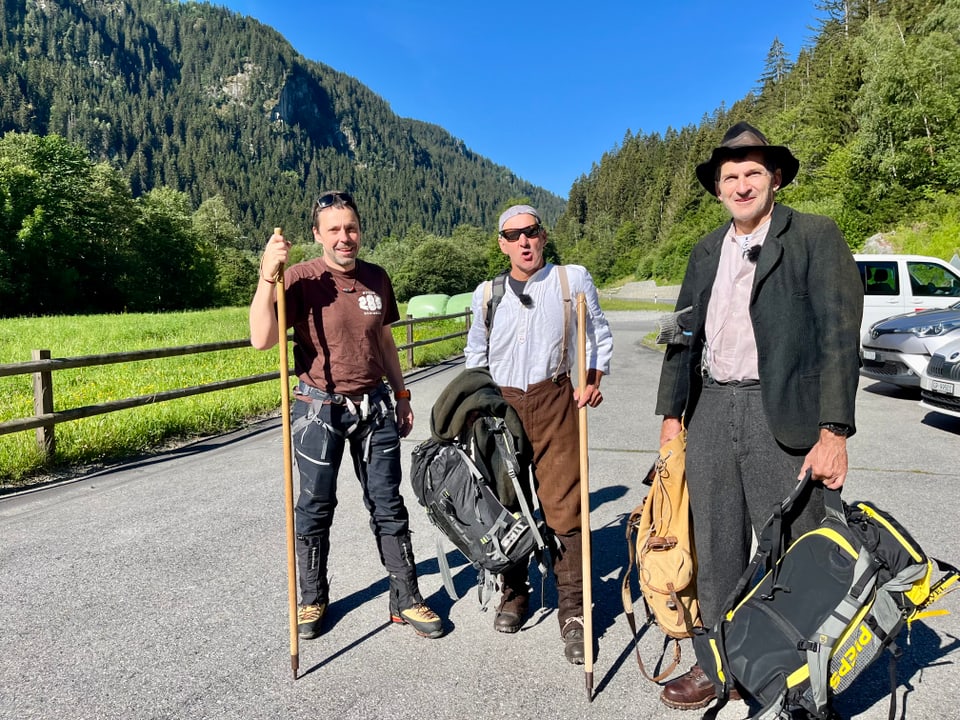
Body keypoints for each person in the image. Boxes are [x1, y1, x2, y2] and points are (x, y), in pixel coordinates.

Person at [655, 123, 863, 709]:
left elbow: (839, 339)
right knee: (715, 544)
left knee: (797, 547)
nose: (741, 185)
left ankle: (802, 674)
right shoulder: (704, 250)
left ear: (774, 178)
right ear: (718, 189)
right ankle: (717, 665)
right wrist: (671, 416)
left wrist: (834, 432)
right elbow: (681, 338)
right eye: (730, 177)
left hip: (787, 413)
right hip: (712, 407)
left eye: (752, 173)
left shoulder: (815, 236)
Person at [249, 190, 443, 640]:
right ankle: (312, 598)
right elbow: (261, 339)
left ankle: (406, 597)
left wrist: (402, 394)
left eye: (351, 228)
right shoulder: (297, 278)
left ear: (360, 231)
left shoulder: (377, 278)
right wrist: (266, 275)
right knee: (315, 507)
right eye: (333, 229)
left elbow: (387, 343)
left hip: (375, 406)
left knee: (388, 504)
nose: (344, 237)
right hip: (318, 407)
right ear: (317, 235)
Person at [463, 204, 614, 664]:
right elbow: (475, 352)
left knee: (564, 505)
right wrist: (477, 407)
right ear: (502, 244)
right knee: (505, 505)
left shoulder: (571, 280)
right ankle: (515, 591)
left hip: (554, 399)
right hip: (500, 405)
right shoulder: (486, 294)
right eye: (513, 236)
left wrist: (592, 380)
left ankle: (573, 610)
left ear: (543, 236)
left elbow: (598, 336)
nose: (524, 242)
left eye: (531, 232)